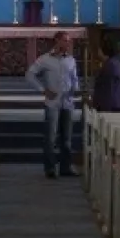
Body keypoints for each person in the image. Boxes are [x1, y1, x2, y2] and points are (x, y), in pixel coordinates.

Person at [25, 30, 79, 178]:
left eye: (69, 41)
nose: (67, 44)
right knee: (50, 137)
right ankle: (50, 168)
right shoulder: (45, 59)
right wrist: (43, 90)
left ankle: (65, 167)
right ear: (56, 41)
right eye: (65, 40)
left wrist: (75, 89)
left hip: (67, 102)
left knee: (67, 138)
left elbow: (74, 78)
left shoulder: (71, 60)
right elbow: (29, 74)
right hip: (52, 102)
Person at [92, 43, 120, 113]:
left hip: (110, 105)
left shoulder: (111, 64)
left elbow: (105, 86)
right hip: (112, 103)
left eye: (99, 50)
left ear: (104, 51)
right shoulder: (113, 63)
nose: (98, 52)